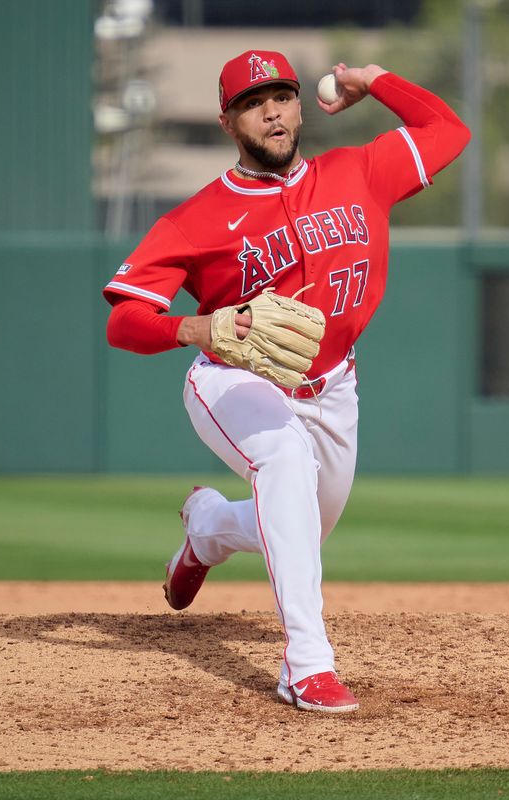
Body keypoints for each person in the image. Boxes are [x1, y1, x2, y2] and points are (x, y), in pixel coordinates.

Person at [103, 51, 469, 712]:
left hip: (332, 388)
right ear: (228, 121)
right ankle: (306, 664)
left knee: (302, 523)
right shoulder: (196, 219)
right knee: (282, 458)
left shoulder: (360, 170)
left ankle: (209, 527)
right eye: (252, 101)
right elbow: (124, 321)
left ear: (300, 107)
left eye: (281, 95)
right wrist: (195, 329)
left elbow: (449, 132)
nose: (270, 110)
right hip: (232, 380)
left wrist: (374, 79)